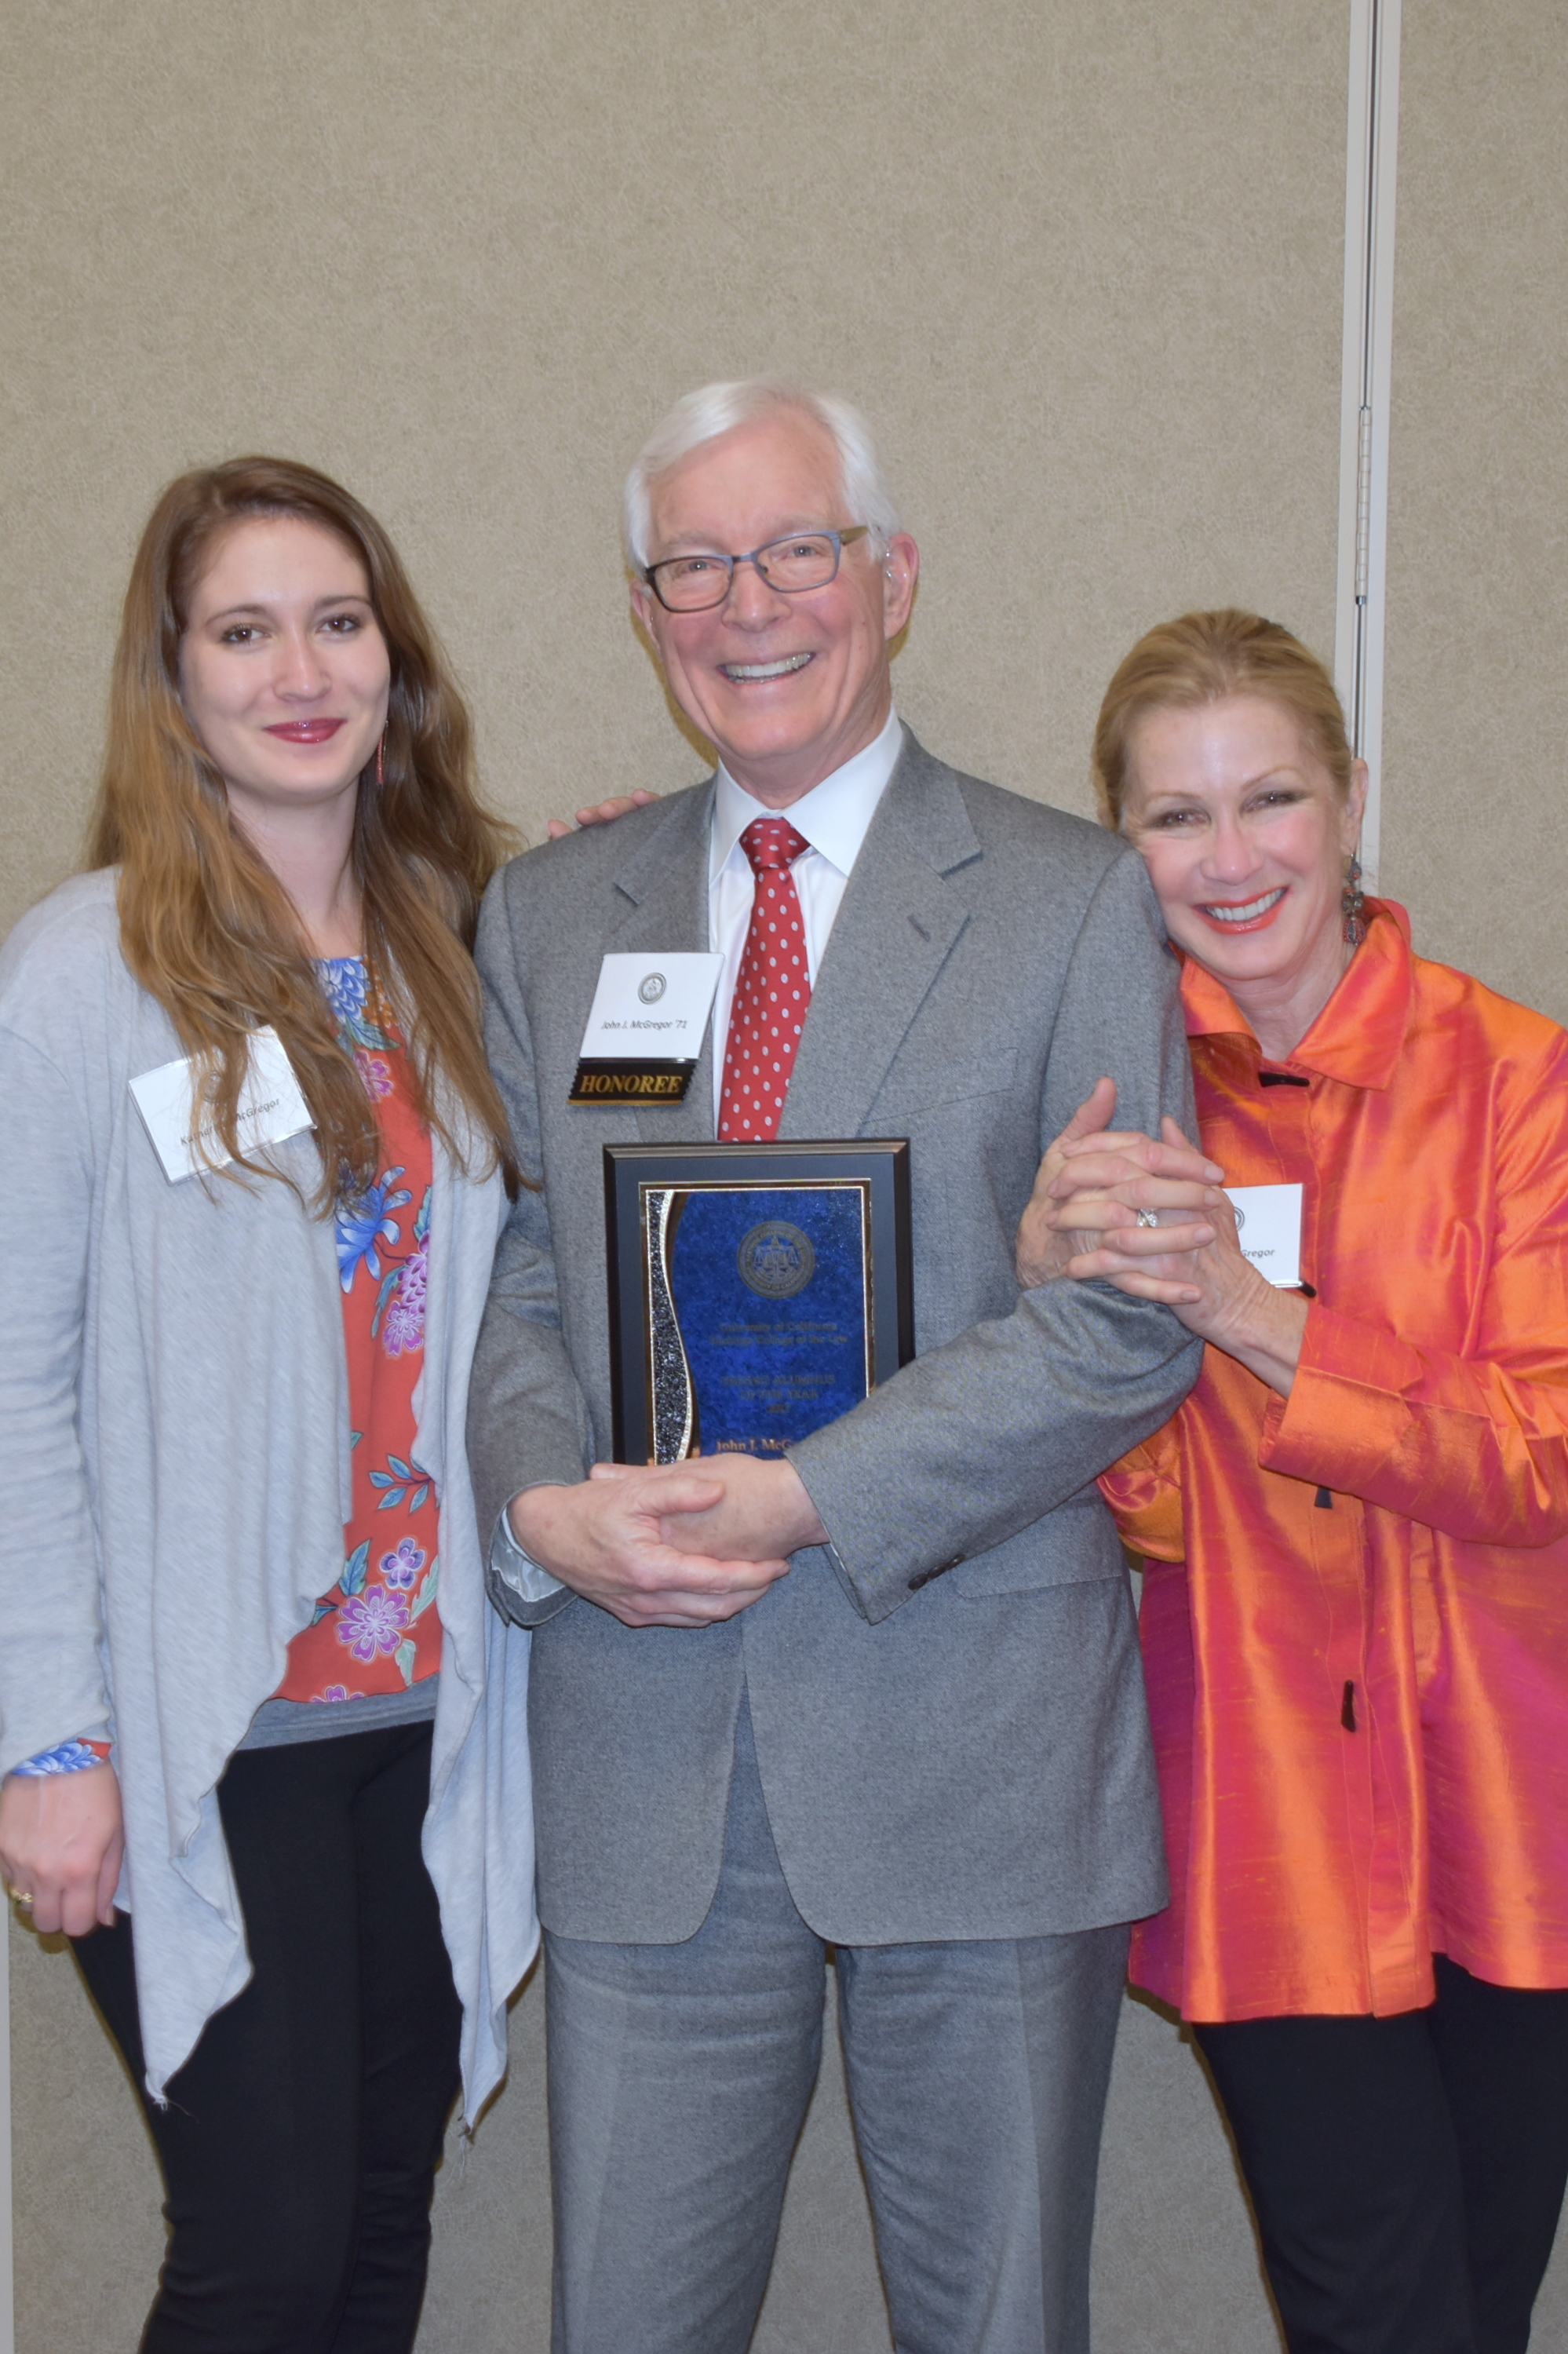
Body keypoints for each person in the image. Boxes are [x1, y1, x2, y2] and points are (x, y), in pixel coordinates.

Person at [466, 376, 1204, 2354]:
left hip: (979, 1740)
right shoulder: (550, 916)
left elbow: (1128, 1317)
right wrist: (538, 1504)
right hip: (646, 1742)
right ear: (646, 614)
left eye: (797, 548)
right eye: (693, 566)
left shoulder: (1070, 898)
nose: (750, 603)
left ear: (892, 578)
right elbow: (520, 1262)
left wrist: (813, 1499)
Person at [0, 457, 540, 2353]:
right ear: (174, 681)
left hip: (427, 1712)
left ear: (397, 658)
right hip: (208, 1727)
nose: (300, 673)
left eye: (337, 622)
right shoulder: (85, 974)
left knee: (380, 2225)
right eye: (244, 631)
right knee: (263, 2250)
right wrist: (49, 1742)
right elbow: (14, 1385)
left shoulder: (461, 945)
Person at [1016, 609, 1568, 2354]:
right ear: (1119, 845)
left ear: (1350, 801)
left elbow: (1541, 1458)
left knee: (1475, 2305)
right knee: (1375, 2313)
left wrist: (1255, 1319)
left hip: (1522, 1808)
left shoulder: (1522, 1080)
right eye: (1175, 816)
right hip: (1262, 1813)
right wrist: (1049, 1317)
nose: (1231, 858)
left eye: (1269, 799)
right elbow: (1137, 1507)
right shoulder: (1104, 1122)